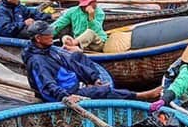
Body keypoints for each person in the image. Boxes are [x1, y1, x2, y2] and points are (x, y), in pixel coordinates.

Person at [23, 21, 157, 103]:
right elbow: (47, 86)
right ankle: (141, 95)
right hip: (67, 92)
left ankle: (92, 81)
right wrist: (66, 97)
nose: (52, 35)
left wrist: (92, 78)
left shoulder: (49, 49)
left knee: (77, 56)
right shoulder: (37, 61)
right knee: (102, 92)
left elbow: (71, 63)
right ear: (38, 38)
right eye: (48, 34)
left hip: (72, 84)